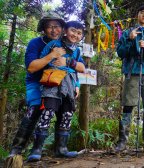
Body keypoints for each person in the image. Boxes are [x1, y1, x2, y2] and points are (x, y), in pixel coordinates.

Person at [8, 12, 67, 157]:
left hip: (58, 84)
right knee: (33, 111)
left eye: (57, 26)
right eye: (49, 27)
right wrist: (52, 55)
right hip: (36, 82)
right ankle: (16, 151)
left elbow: (74, 65)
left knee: (64, 112)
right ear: (43, 29)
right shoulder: (35, 43)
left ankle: (59, 150)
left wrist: (76, 84)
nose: (54, 30)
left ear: (62, 28)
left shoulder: (65, 44)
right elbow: (32, 67)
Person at [27, 21, 85, 161]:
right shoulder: (53, 45)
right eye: (73, 31)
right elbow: (41, 60)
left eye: (79, 33)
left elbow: (82, 68)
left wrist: (75, 81)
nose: (75, 35)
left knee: (67, 115)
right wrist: (53, 56)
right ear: (65, 31)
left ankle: (61, 149)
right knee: (47, 113)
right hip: (52, 83)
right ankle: (37, 150)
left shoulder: (77, 50)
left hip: (69, 85)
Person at [115, 5, 144, 153]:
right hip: (132, 72)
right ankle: (122, 142)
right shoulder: (128, 32)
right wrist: (130, 41)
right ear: (137, 15)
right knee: (128, 106)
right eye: (141, 12)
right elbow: (120, 53)